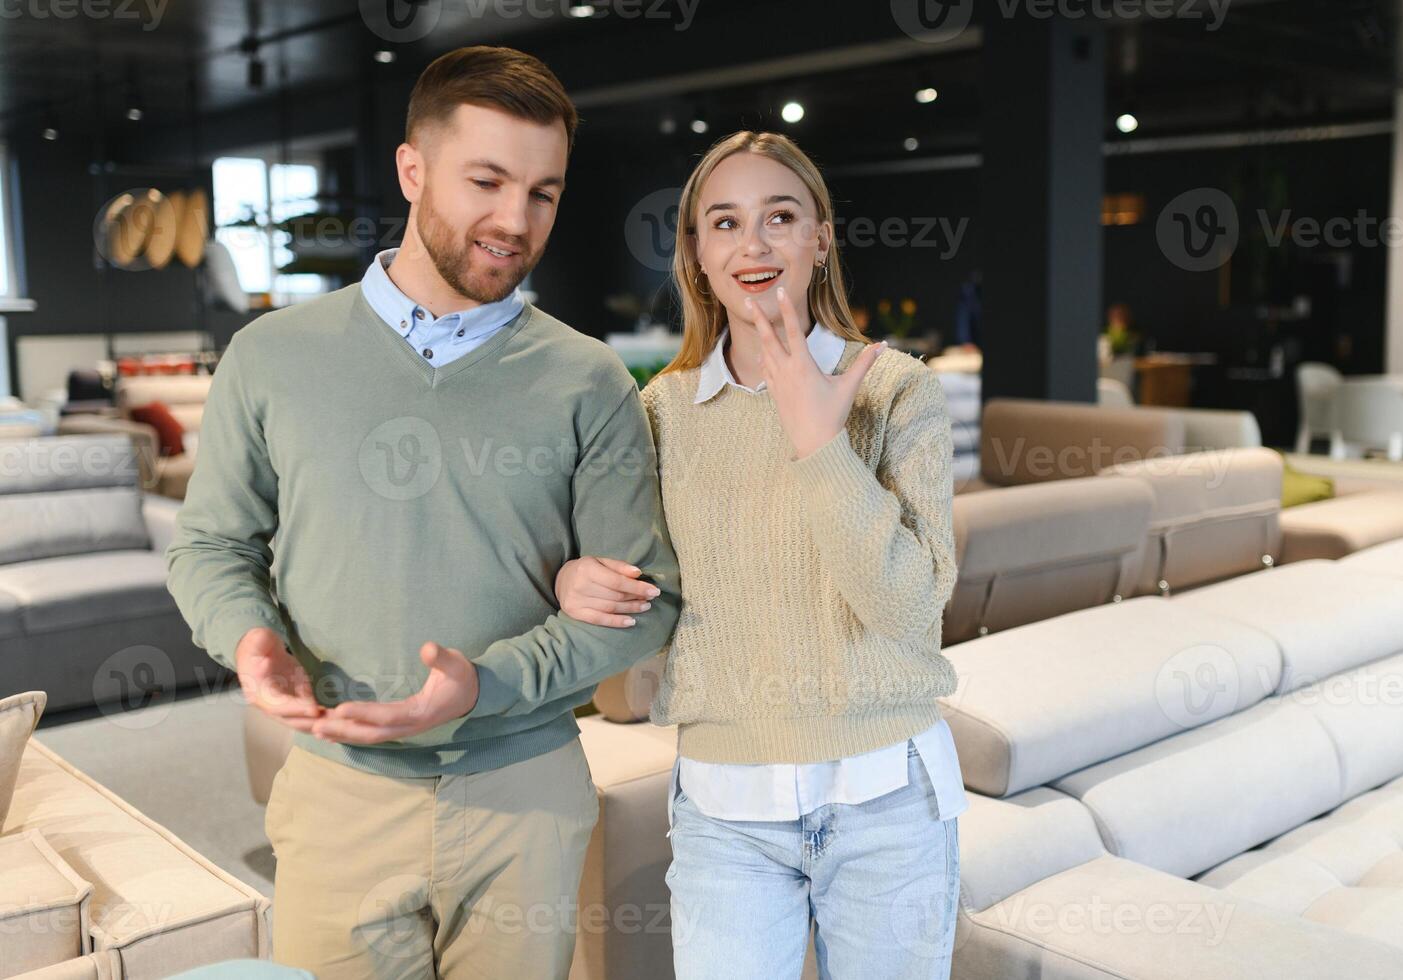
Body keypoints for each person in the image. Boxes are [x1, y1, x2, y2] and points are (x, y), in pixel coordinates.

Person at [166, 46, 680, 979]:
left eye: (543, 194)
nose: (513, 222)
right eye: (485, 180)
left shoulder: (588, 378)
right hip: (336, 790)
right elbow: (210, 543)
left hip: (524, 792)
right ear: (413, 170)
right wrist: (249, 638)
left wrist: (484, 687)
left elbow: (646, 603)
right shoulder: (273, 354)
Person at [555, 131, 965, 979]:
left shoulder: (895, 390)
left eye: (780, 216)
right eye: (725, 222)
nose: (754, 244)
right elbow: (645, 590)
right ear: (697, 256)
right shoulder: (661, 412)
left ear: (819, 240)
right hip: (725, 808)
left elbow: (909, 607)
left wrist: (819, 438)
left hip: (888, 797)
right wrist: (574, 576)